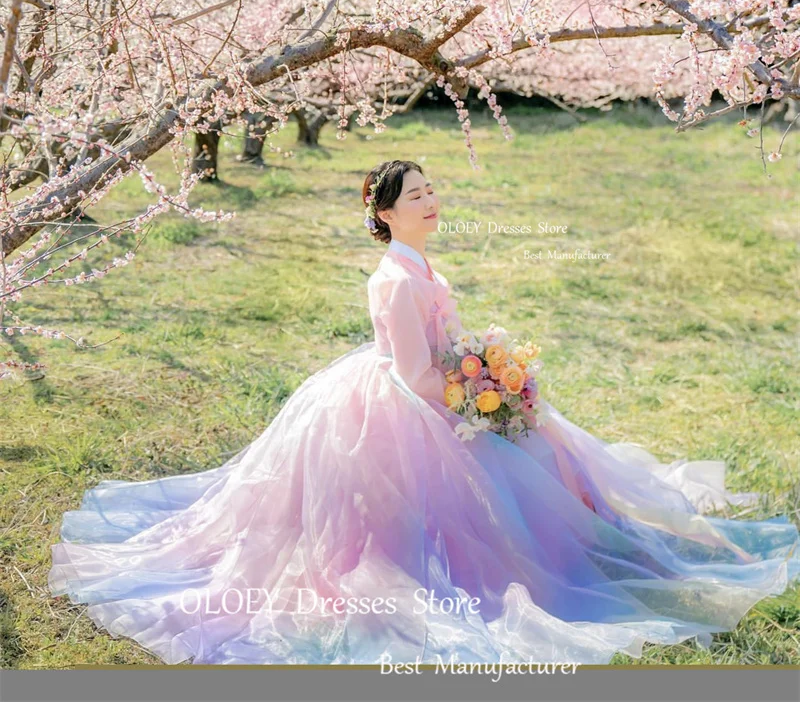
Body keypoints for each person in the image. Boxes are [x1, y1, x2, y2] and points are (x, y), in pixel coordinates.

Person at [48, 158, 800, 666]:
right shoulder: (392, 280)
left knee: (552, 449)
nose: (432, 202)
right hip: (406, 403)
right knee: (496, 472)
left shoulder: (421, 264)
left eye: (433, 191)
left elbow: (439, 347)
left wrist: (490, 374)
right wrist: (471, 405)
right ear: (384, 214)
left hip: (448, 386)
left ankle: (590, 535)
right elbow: (411, 370)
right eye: (416, 197)